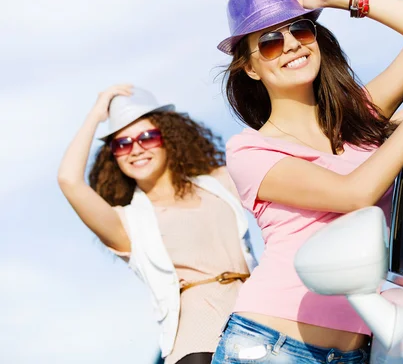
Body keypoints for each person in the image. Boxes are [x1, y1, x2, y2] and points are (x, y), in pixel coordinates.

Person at [212, 0, 403, 364]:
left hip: (358, 353)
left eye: (300, 31)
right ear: (251, 69)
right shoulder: (250, 151)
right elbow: (354, 194)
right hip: (271, 346)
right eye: (269, 43)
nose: (290, 46)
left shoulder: (358, 116)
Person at [57, 85, 257, 364]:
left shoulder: (220, 183)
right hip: (197, 345)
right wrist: (95, 115)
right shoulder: (126, 223)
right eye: (122, 144)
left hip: (260, 328)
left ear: (169, 138)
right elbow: (69, 180)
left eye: (147, 137)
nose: (135, 149)